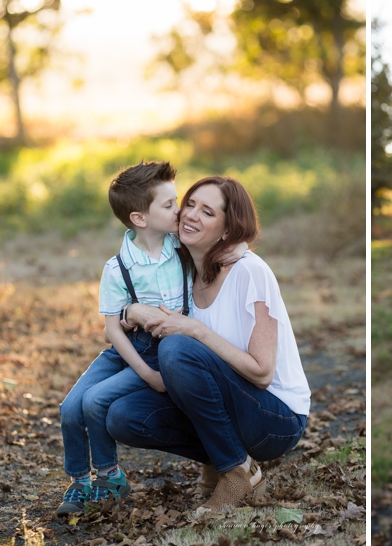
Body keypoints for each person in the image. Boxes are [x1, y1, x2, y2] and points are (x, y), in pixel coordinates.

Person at [108, 176, 313, 514]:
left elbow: (262, 374)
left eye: (207, 212)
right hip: (230, 406)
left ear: (227, 230)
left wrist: (195, 330)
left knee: (177, 348)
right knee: (123, 416)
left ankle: (235, 472)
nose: (190, 215)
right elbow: (118, 310)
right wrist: (131, 309)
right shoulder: (182, 271)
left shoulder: (251, 273)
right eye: (188, 204)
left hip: (275, 418)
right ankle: (224, 459)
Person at [56, 162, 186, 514]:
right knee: (70, 407)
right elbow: (113, 328)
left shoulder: (183, 250)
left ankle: (110, 476)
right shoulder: (118, 267)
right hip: (129, 350)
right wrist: (147, 376)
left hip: (168, 349)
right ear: (140, 219)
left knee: (95, 401)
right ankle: (80, 481)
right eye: (169, 204)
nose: (179, 210)